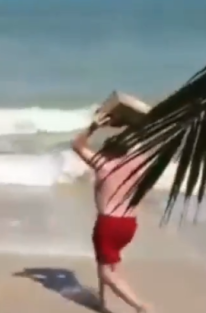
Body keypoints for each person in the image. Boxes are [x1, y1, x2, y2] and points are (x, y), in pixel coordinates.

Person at [71, 114, 151, 313]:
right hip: (129, 224)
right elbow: (145, 143)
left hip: (108, 224)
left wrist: (94, 126)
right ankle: (103, 304)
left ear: (108, 150)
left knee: (107, 272)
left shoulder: (103, 164)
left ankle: (140, 306)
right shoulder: (139, 164)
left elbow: (77, 144)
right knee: (107, 262)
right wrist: (136, 126)